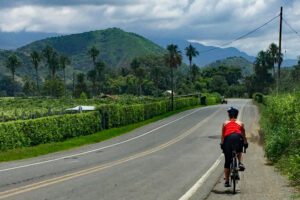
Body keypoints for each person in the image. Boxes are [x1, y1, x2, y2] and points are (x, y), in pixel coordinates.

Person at [220, 107, 248, 187]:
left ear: (229, 115)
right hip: (237, 137)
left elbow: (222, 136)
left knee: (227, 162)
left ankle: (227, 181)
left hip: (228, 139)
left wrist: (222, 145)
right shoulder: (240, 123)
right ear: (236, 115)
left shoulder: (225, 123)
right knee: (240, 148)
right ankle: (239, 163)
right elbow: (244, 136)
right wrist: (245, 143)